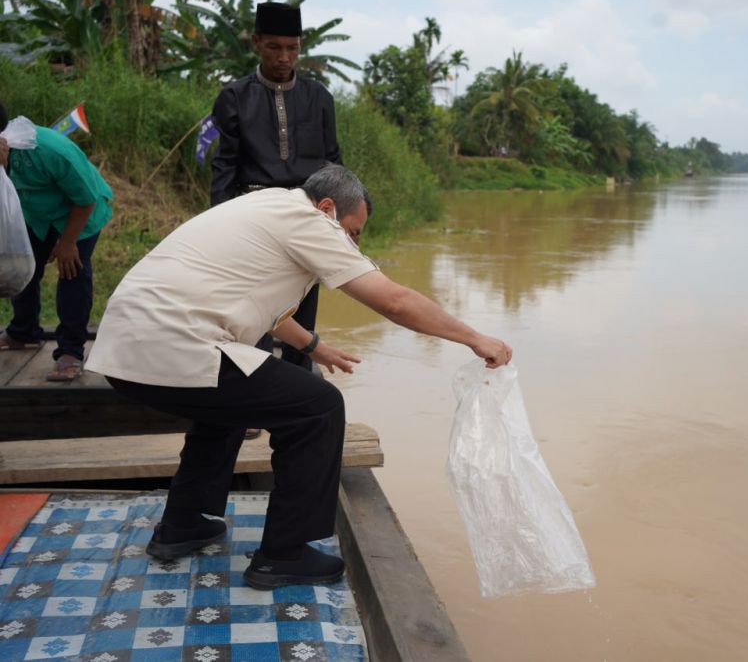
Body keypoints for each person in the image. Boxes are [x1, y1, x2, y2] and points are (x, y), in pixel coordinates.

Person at [85, 164, 512, 590]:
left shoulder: (267, 205)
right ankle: (284, 555)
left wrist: (313, 347)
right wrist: (474, 338)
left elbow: (260, 302)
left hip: (128, 347)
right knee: (318, 407)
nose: (352, 242)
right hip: (173, 343)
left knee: (229, 404)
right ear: (327, 207)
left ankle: (184, 525)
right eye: (352, 231)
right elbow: (395, 301)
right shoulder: (309, 222)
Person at [210, 1, 340, 379]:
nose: (284, 57)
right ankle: (254, 399)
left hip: (307, 215)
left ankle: (297, 404)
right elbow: (225, 165)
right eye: (274, 47)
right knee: (253, 312)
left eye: (293, 48)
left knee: (303, 311)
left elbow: (333, 162)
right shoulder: (234, 97)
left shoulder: (320, 98)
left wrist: (336, 221)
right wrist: (219, 222)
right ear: (256, 42)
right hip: (254, 216)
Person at [0, 101, 113, 381]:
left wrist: (67, 243)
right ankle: (23, 332)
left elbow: (85, 199)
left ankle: (71, 351)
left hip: (80, 212)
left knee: (72, 270)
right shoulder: (6, 152)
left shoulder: (49, 150)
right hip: (37, 213)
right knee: (22, 265)